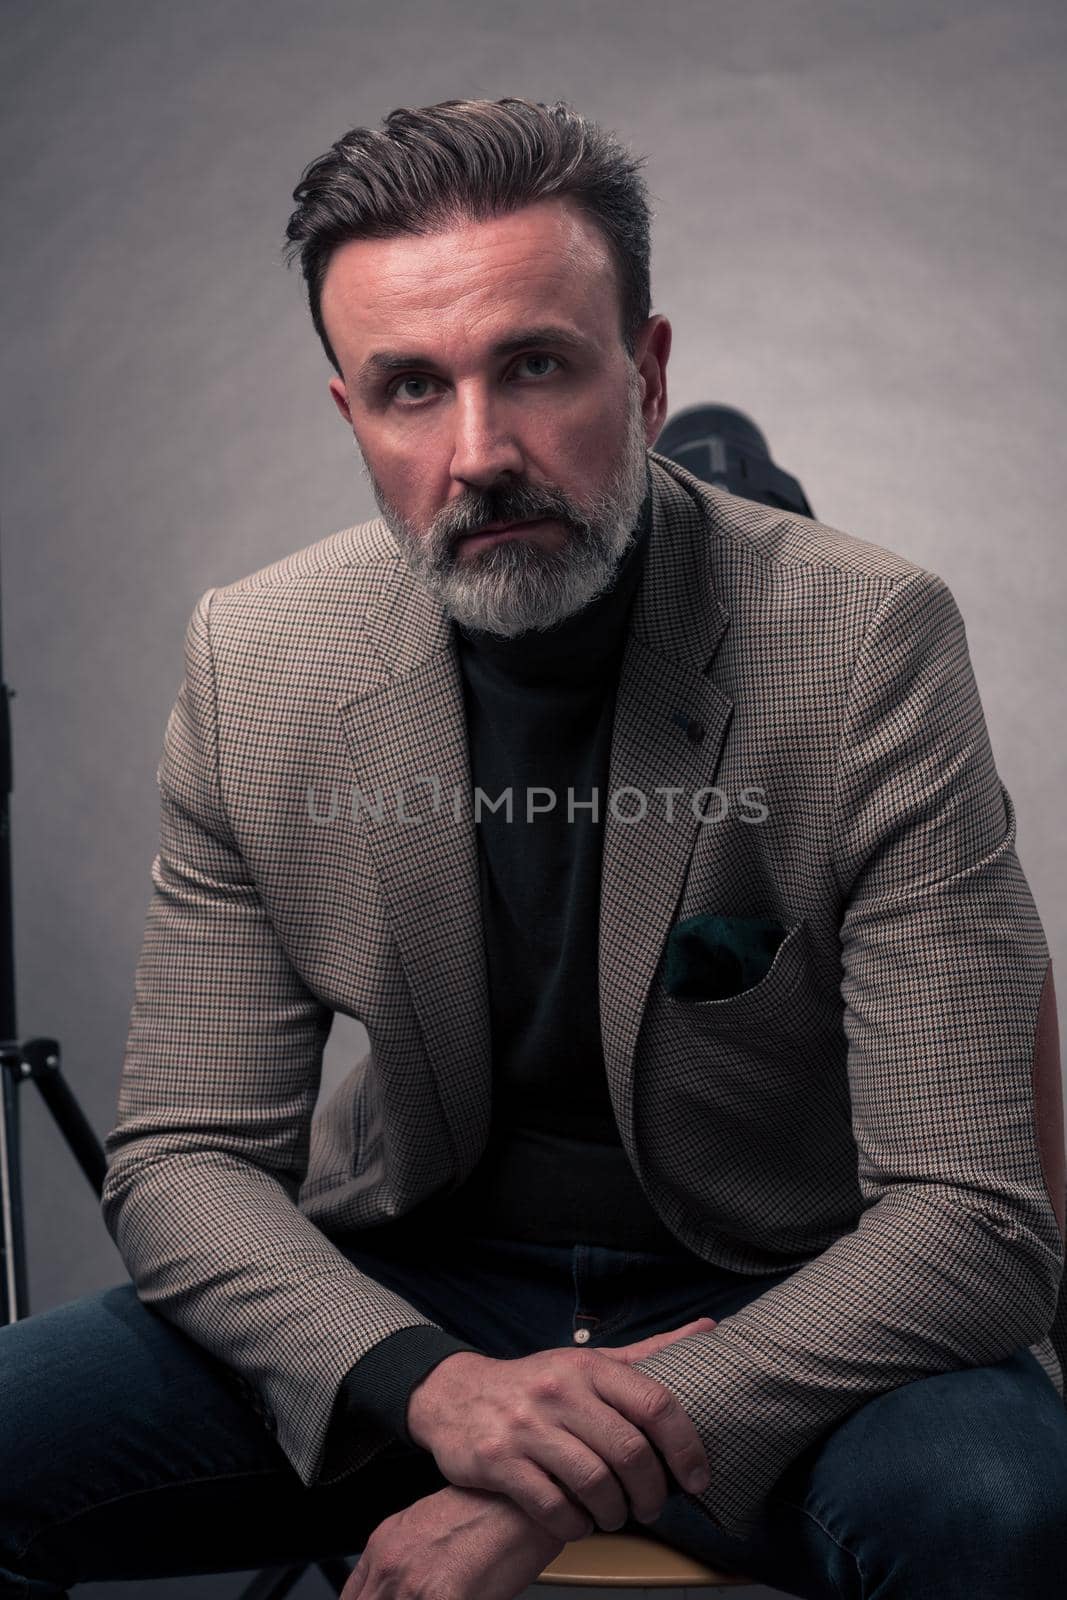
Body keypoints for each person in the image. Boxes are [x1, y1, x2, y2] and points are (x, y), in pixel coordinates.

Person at [1, 95, 1065, 1600]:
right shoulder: (260, 661)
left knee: (1007, 1514)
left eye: (538, 366)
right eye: (411, 389)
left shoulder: (866, 643)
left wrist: (545, 1488)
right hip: (418, 1292)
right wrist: (437, 1391)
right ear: (350, 416)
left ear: (646, 368)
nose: (480, 450)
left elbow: (975, 1223)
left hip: (782, 1308)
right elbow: (182, 1162)